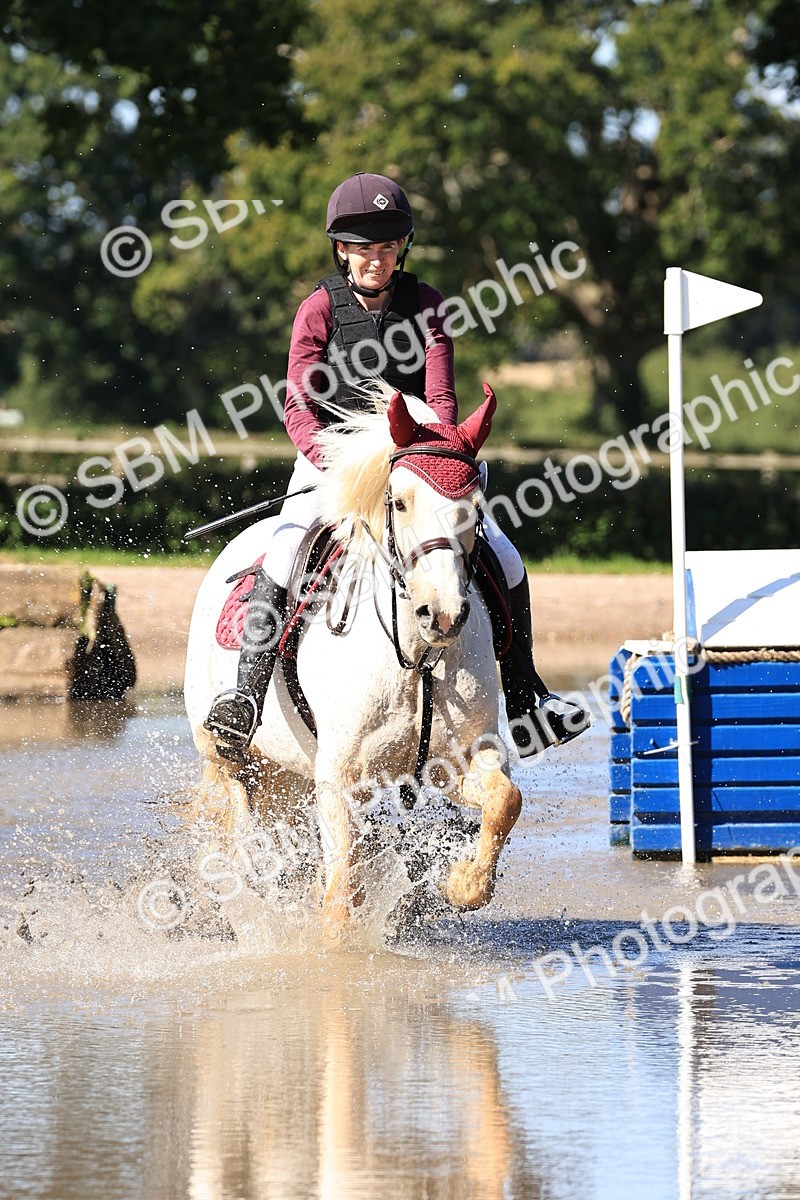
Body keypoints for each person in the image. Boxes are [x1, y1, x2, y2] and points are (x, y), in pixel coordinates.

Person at [204, 172, 564, 762]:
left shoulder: (427, 305)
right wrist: (337, 465)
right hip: (335, 460)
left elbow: (444, 401)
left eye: (388, 247)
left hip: (420, 462)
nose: (377, 259)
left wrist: (436, 456)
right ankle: (244, 697)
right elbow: (297, 402)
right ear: (342, 249)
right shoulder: (318, 310)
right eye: (364, 248)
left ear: (403, 248)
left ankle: (526, 695)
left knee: (503, 552)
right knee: (286, 550)